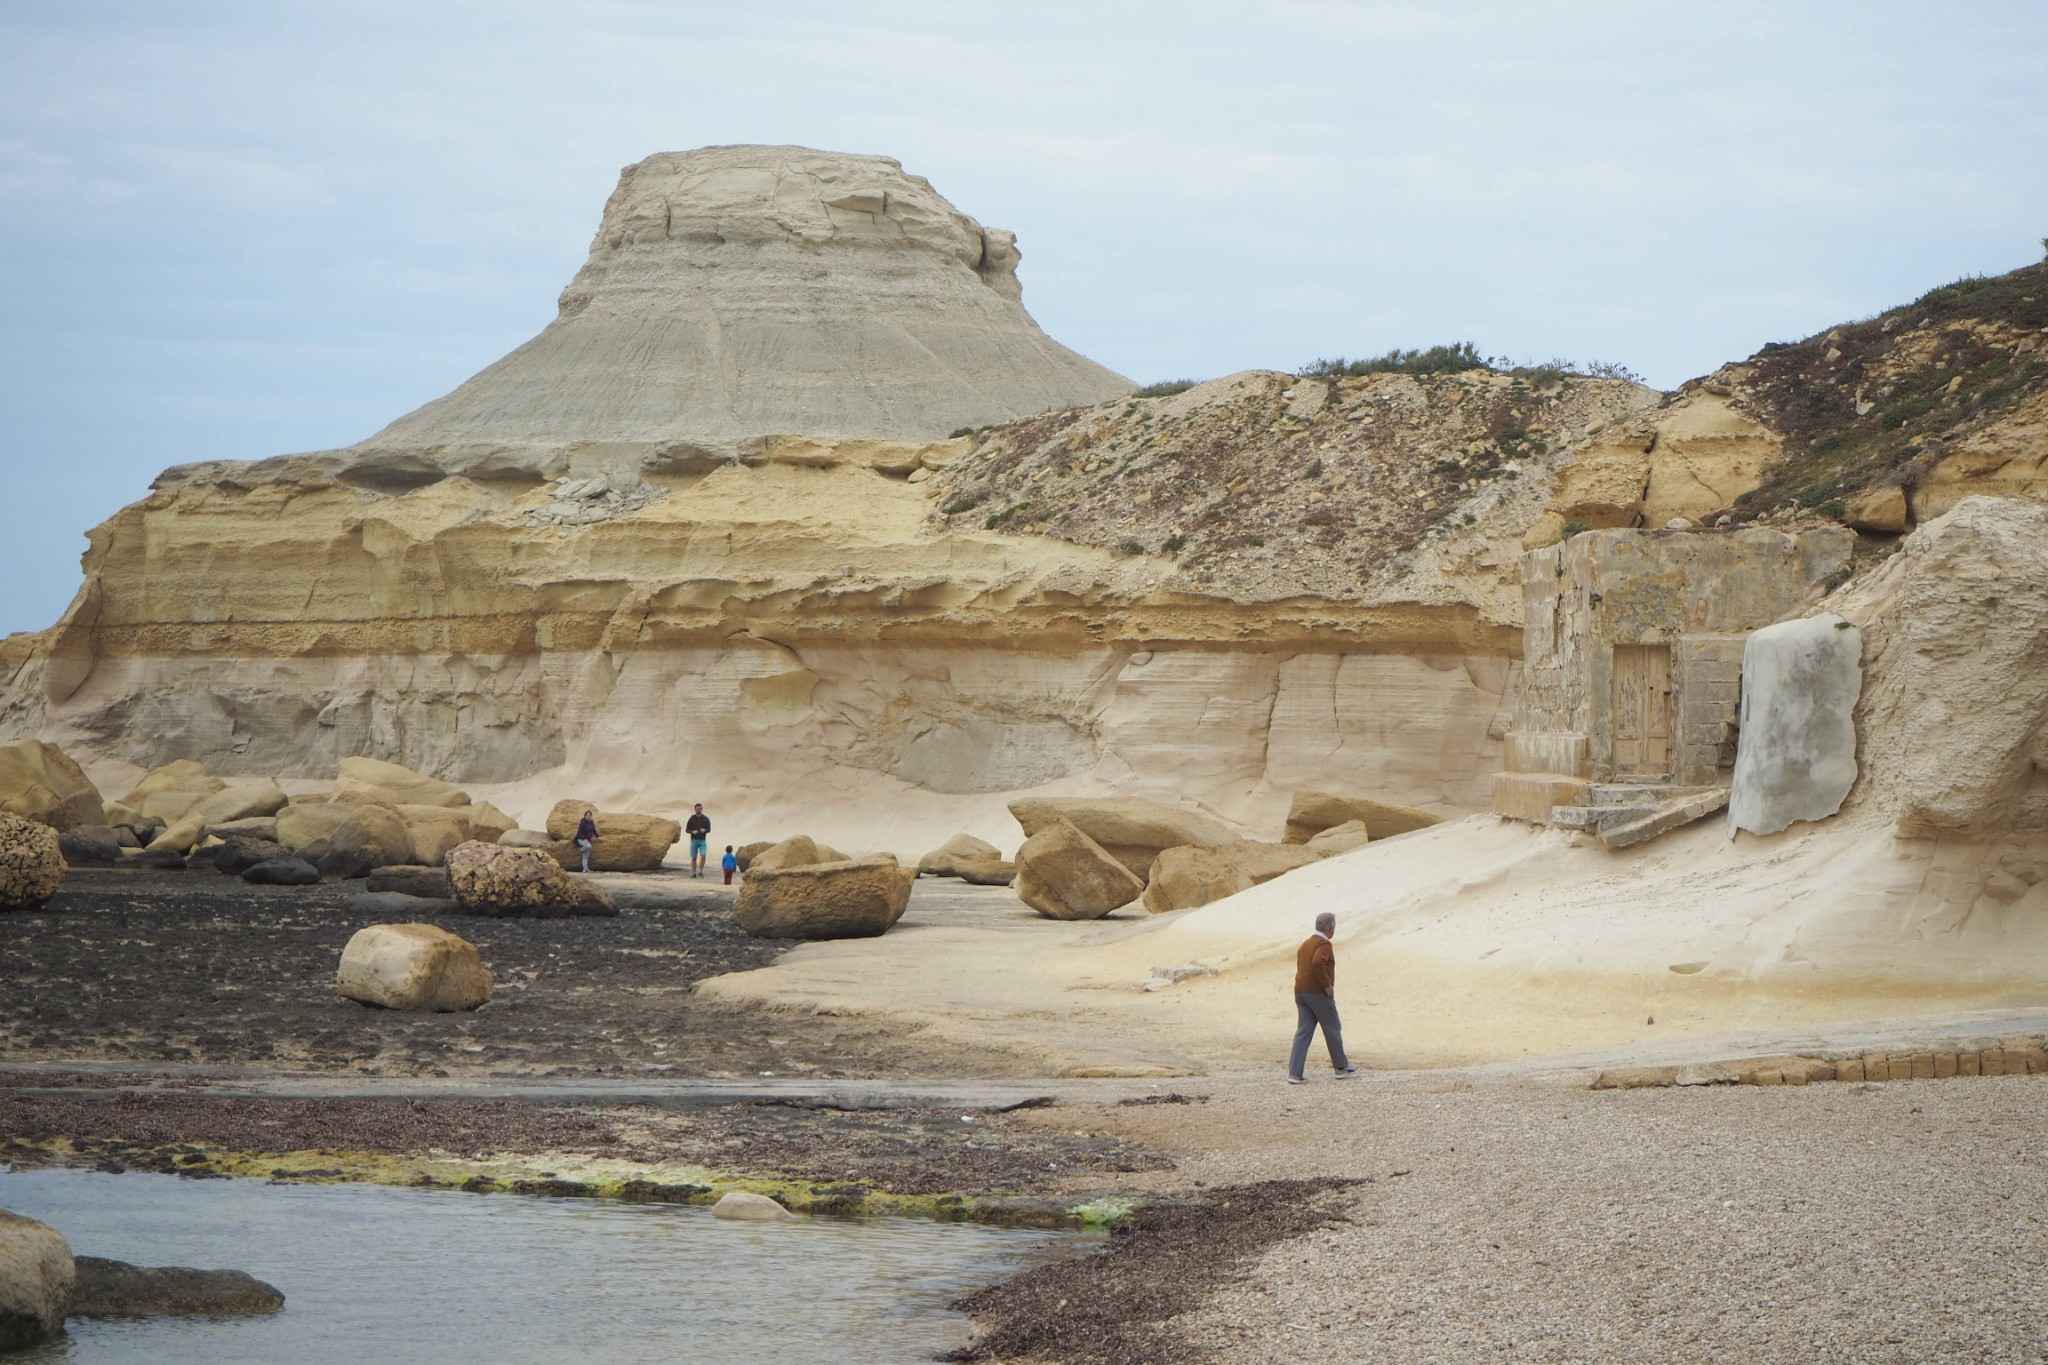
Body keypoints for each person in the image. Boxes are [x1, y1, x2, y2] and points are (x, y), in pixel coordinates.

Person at [1288, 911, 1358, 1084]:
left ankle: (1294, 1073)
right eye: (1333, 926)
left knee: (1303, 1032)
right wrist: (1326, 985)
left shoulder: (1305, 944)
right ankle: (1341, 1068)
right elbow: (1318, 963)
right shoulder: (1324, 944)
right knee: (1332, 1028)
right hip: (1317, 993)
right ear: (1329, 928)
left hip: (1300, 992)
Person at [685, 803, 712, 878]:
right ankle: (693, 873)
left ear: (702, 809)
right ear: (695, 809)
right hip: (694, 840)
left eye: (700, 809)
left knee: (703, 855)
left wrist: (705, 830)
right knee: (694, 857)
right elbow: (687, 830)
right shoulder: (692, 818)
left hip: (702, 840)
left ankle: (700, 871)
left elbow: (709, 829)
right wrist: (692, 831)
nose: (698, 810)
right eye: (697, 809)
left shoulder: (705, 818)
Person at [574, 808, 600, 874]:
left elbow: (593, 830)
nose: (588, 817)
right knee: (589, 846)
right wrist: (589, 837)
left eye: (589, 815)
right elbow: (583, 831)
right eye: (587, 815)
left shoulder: (591, 822)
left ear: (591, 816)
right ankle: (581, 849)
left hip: (587, 840)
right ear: (585, 816)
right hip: (581, 839)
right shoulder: (582, 822)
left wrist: (597, 836)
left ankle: (585, 869)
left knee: (585, 856)